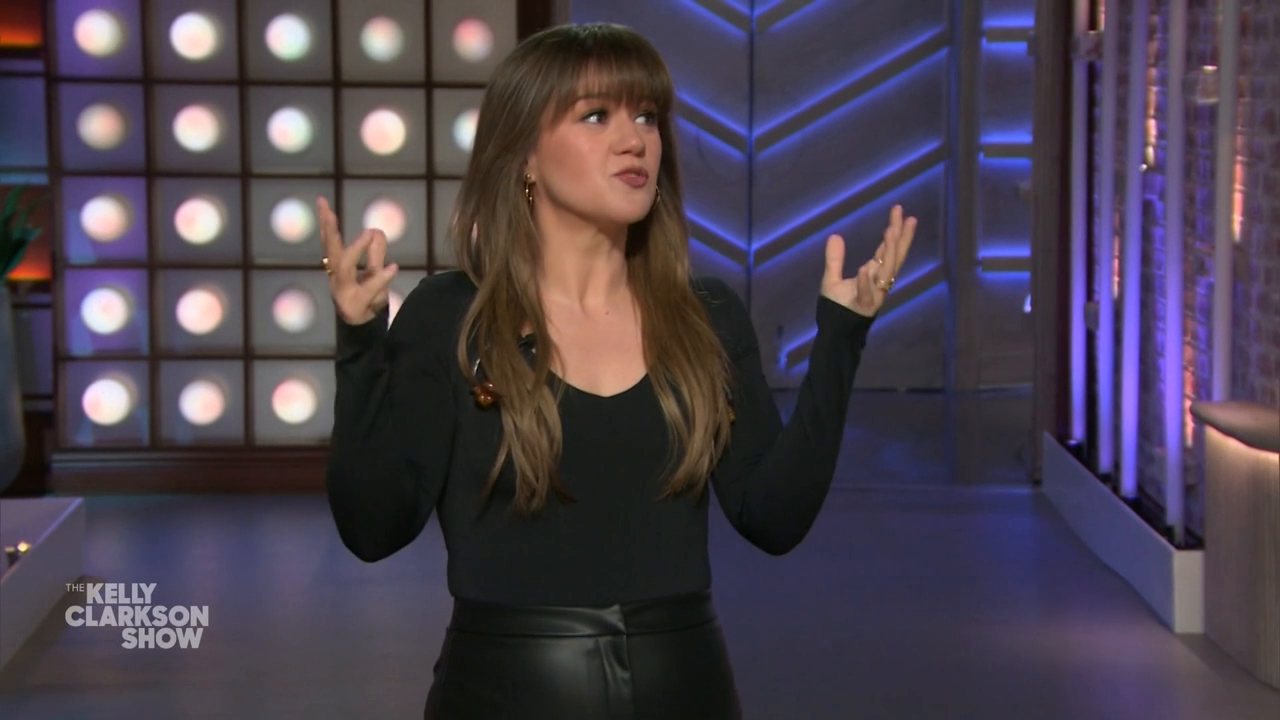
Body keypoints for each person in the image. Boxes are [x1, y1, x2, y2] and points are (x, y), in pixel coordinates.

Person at [322, 21, 915, 720]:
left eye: (647, 116)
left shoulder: (706, 316)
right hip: (503, 692)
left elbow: (773, 518)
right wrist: (359, 344)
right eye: (596, 116)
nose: (635, 140)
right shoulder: (452, 318)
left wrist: (842, 337)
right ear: (525, 155)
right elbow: (374, 529)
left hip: (686, 686)